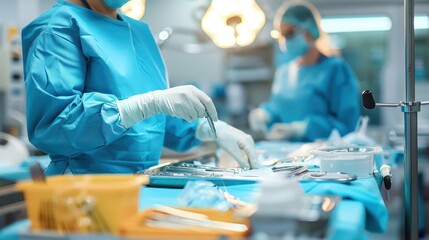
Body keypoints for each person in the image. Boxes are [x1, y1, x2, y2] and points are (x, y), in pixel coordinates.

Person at [22, 0, 258, 175]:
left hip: (144, 184)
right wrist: (143, 105)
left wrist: (206, 128)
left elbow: (157, 120)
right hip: (84, 189)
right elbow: (54, 125)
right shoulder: (58, 29)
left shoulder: (140, 32)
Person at [249, 0, 360, 142]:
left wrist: (305, 127)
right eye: (281, 35)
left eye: (289, 33)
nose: (285, 40)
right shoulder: (283, 72)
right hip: (286, 155)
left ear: (310, 29)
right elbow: (278, 109)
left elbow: (347, 126)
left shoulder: (336, 70)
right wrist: (265, 114)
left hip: (323, 156)